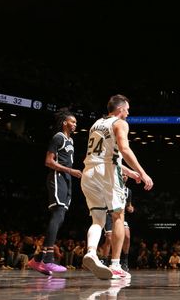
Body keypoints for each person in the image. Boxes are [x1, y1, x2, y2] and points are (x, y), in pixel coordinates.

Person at [81, 94, 153, 280]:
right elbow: (124, 149)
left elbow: (105, 156)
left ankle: (90, 252)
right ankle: (115, 265)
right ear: (120, 109)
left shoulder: (96, 124)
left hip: (88, 172)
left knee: (97, 219)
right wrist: (143, 173)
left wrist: (130, 173)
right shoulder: (120, 123)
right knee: (118, 215)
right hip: (107, 174)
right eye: (127, 109)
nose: (128, 113)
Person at [29, 110, 83, 276]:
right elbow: (48, 161)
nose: (75, 124)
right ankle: (48, 259)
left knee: (60, 218)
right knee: (57, 215)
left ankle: (37, 259)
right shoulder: (58, 137)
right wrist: (69, 170)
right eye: (72, 121)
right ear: (64, 122)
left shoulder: (71, 140)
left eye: (75, 122)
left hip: (67, 179)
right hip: (57, 176)